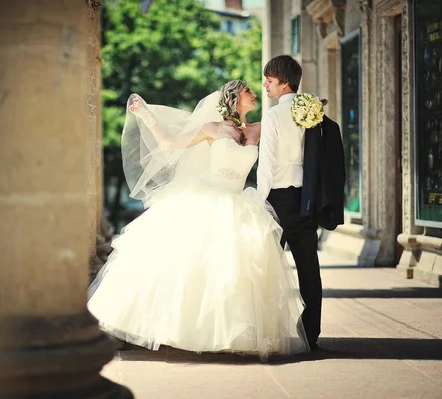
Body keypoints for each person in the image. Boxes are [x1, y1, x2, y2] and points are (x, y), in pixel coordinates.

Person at [87, 80, 309, 360]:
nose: (254, 94)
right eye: (247, 91)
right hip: (206, 197)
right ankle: (164, 326)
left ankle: (228, 333)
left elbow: (286, 143)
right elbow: (170, 143)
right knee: (185, 266)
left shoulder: (259, 128)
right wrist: (146, 115)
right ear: (234, 97)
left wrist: (305, 114)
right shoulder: (212, 129)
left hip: (239, 202)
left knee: (234, 272)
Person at [257, 55, 322, 351]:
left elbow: (266, 165)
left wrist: (259, 201)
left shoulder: (273, 116)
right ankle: (312, 333)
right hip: (305, 199)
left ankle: (268, 331)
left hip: (277, 201)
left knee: (268, 268)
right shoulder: (312, 111)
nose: (265, 85)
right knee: (309, 267)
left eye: (269, 81)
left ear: (284, 83)